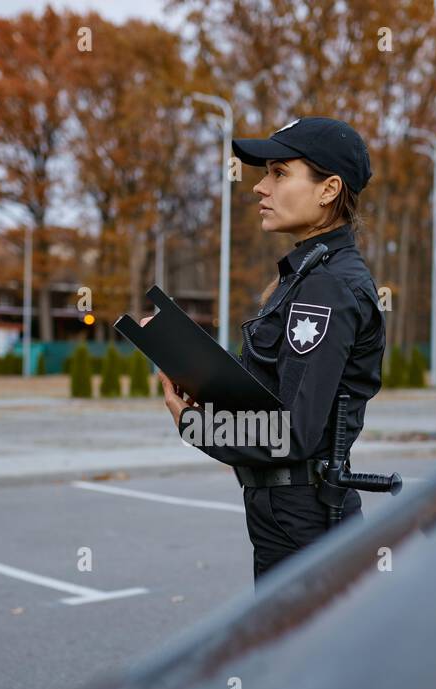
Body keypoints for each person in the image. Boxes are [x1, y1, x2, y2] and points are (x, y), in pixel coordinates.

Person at [158, 116, 386, 581]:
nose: (260, 188)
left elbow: (295, 433)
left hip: (305, 521)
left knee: (305, 654)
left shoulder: (327, 287)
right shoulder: (308, 275)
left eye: (279, 173)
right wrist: (208, 384)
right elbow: (278, 394)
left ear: (328, 190)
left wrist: (195, 424)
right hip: (288, 515)